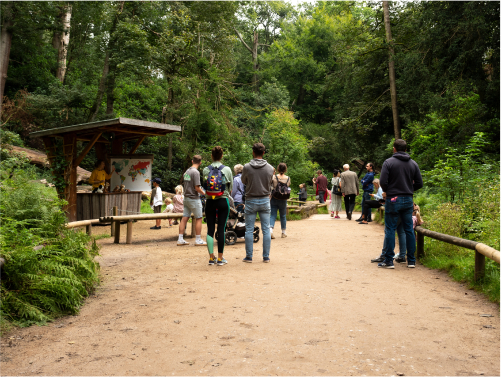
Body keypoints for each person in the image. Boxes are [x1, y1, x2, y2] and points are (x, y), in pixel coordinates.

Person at [377, 139, 423, 269]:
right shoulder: (413, 164)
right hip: (408, 199)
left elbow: (383, 181)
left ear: (394, 149)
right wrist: (408, 189)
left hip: (393, 199)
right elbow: (419, 183)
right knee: (409, 229)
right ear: (406, 149)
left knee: (390, 229)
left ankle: (388, 261)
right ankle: (411, 261)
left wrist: (388, 190)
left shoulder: (388, 162)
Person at [241, 143, 274, 263]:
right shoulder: (270, 168)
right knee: (266, 229)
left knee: (249, 229)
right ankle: (266, 257)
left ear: (253, 152)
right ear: (264, 153)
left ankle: (249, 256)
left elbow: (243, 181)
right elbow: (270, 182)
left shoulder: (246, 167)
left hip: (250, 200)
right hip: (265, 200)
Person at [202, 146, 233, 266]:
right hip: (222, 201)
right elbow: (230, 189)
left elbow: (205, 186)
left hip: (210, 201)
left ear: (211, 156)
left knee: (210, 229)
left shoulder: (205, 169)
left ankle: (211, 258)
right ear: (221, 156)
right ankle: (220, 259)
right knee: (221, 228)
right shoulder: (227, 169)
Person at [177, 155, 206, 247]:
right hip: (194, 198)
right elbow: (197, 187)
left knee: (184, 218)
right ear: (200, 163)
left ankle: (180, 239)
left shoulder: (187, 171)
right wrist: (204, 193)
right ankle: (198, 240)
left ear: (192, 161)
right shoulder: (196, 172)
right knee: (199, 218)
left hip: (186, 198)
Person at [270, 162, 291, 239]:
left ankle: (271, 230)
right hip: (283, 199)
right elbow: (287, 186)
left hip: (274, 198)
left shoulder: (274, 177)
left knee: (272, 215)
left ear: (278, 169)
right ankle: (283, 232)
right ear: (285, 169)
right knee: (283, 215)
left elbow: (271, 186)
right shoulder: (288, 178)